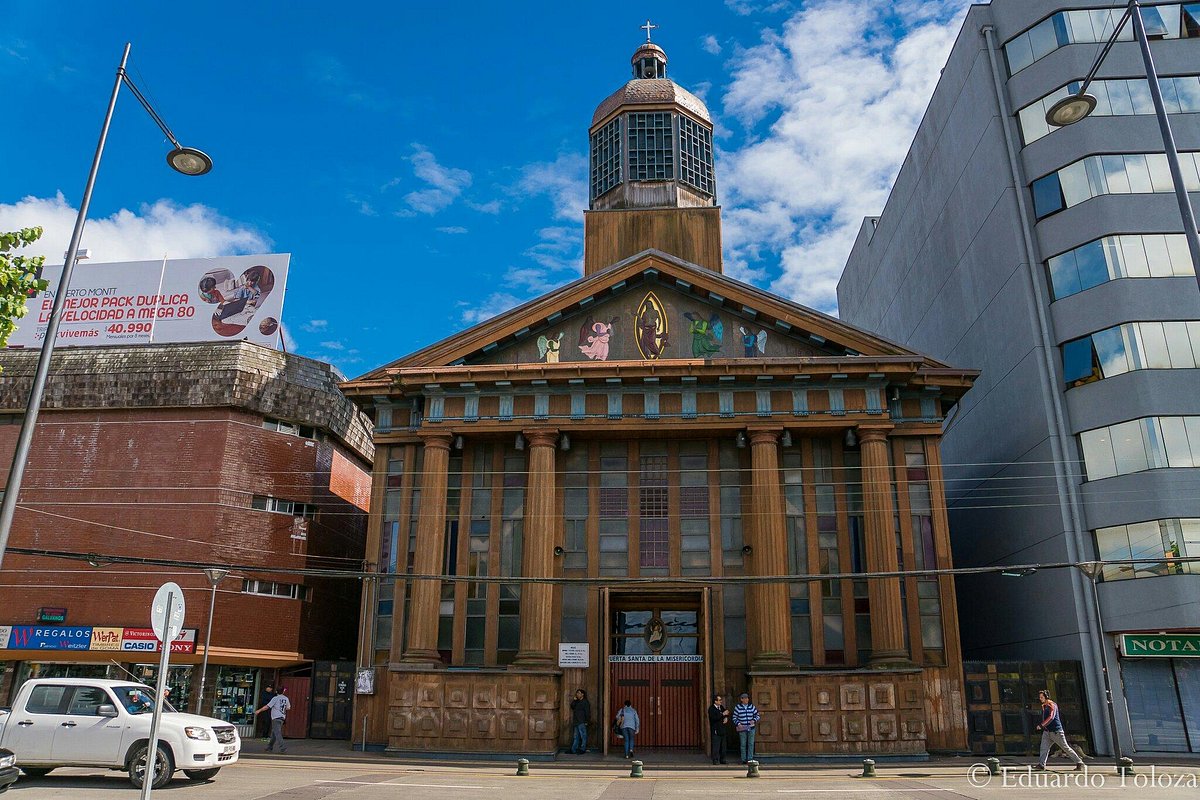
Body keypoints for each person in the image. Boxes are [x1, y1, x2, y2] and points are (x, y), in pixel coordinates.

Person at [1034, 690, 1084, 771]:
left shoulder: (1052, 705)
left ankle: (1079, 763)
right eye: (1040, 697)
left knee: (1065, 748)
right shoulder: (1044, 705)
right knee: (1044, 748)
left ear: (1046, 697)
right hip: (1047, 731)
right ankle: (1041, 764)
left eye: (1041, 697)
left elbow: (1051, 717)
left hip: (1056, 731)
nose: (1040, 699)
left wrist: (1041, 725)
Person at [255, 685, 291, 753]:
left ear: (276, 691)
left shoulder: (275, 698)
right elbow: (288, 708)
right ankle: (269, 747)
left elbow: (267, 707)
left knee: (277, 733)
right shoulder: (286, 698)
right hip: (282, 717)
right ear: (283, 691)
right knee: (274, 733)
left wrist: (259, 711)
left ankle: (283, 748)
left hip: (276, 717)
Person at [732, 692, 760, 763]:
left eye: (747, 698)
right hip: (742, 728)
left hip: (751, 728)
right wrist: (738, 723)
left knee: (751, 743)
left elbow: (757, 715)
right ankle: (743, 759)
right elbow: (734, 717)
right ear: (741, 699)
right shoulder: (737, 707)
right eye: (745, 698)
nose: (747, 699)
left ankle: (750, 759)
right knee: (743, 744)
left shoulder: (752, 707)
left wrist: (754, 720)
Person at [707, 693, 730, 764]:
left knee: (723, 746)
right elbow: (714, 718)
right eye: (719, 700)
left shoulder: (721, 707)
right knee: (716, 746)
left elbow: (726, 713)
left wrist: (726, 717)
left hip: (722, 729)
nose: (721, 701)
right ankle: (715, 760)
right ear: (715, 701)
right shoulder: (711, 709)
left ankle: (723, 759)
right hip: (716, 730)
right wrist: (722, 714)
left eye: (721, 700)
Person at [569, 689, 591, 755]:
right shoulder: (577, 701)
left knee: (583, 736)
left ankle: (582, 749)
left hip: (582, 721)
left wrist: (587, 721)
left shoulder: (585, 702)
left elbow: (587, 712)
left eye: (579, 693)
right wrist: (574, 700)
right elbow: (572, 706)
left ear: (582, 694)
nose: (577, 694)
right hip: (576, 721)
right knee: (576, 736)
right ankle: (573, 749)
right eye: (577, 693)